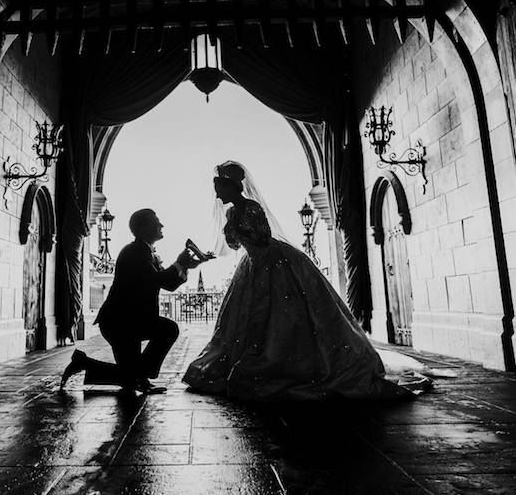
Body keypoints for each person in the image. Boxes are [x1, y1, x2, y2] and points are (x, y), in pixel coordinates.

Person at [182, 161, 432, 402]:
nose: (217, 195)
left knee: (286, 314)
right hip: (252, 266)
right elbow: (236, 245)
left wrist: (239, 228)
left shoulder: (252, 208)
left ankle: (292, 364)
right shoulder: (232, 212)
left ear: (232, 187)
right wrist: (225, 239)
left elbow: (263, 238)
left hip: (274, 263)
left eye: (219, 189)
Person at [60, 208, 200, 395]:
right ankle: (139, 375)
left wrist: (184, 265)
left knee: (130, 379)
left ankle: (88, 364)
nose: (161, 225)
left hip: (129, 321)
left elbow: (167, 284)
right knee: (168, 330)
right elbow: (157, 280)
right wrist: (179, 262)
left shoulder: (143, 251)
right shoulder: (135, 252)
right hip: (121, 324)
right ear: (143, 228)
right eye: (156, 222)